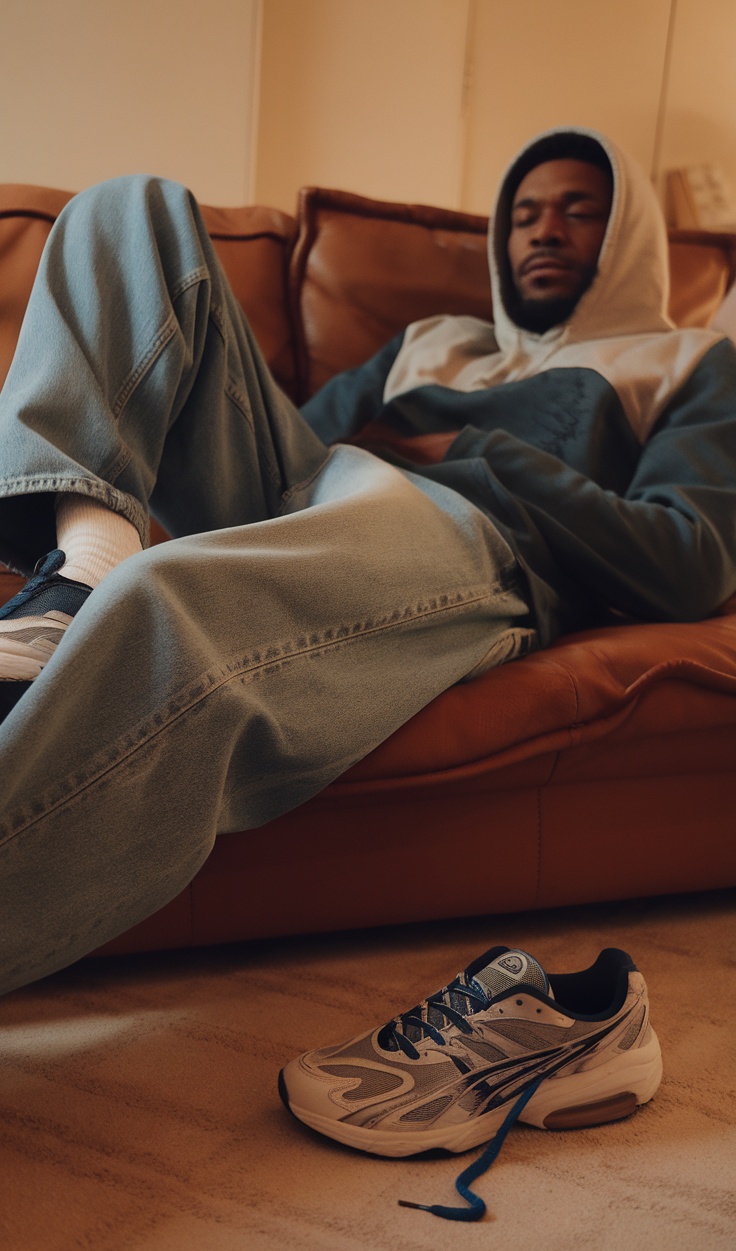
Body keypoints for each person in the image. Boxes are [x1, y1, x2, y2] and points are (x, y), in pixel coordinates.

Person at [1, 127, 736, 999]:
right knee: (128, 208)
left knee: (167, 598)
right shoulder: (432, 338)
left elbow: (693, 559)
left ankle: (101, 593)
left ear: (628, 239)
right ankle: (77, 573)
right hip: (319, 486)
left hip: (466, 529)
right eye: (527, 215)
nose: (545, 231)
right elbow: (306, 437)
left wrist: (478, 447)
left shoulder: (688, 360)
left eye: (579, 211)